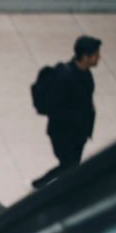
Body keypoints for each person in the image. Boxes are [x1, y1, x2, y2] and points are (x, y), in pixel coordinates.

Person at [31, 35, 101, 189]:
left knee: (71, 166)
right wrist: (77, 116)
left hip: (79, 132)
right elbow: (53, 107)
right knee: (69, 166)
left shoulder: (86, 74)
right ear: (85, 56)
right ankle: (41, 185)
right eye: (96, 54)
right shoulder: (65, 77)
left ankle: (48, 186)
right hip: (63, 133)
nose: (99, 58)